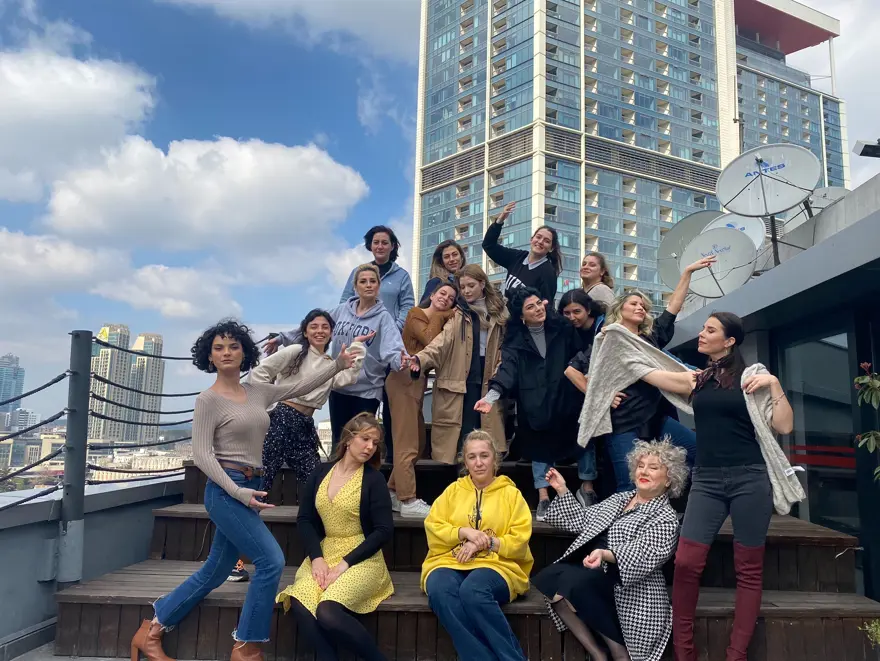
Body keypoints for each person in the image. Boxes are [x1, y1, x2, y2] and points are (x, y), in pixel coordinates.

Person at [130, 320, 358, 661]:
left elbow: (300, 385)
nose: (226, 352)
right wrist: (236, 491)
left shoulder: (257, 391)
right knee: (271, 561)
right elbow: (202, 455)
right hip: (226, 490)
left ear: (244, 353)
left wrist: (337, 365)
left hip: (251, 485)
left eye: (234, 346)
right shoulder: (208, 400)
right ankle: (247, 647)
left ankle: (152, 629)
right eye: (219, 348)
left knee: (216, 570)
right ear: (209, 356)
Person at [634, 312, 803, 661]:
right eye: (703, 328)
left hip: (749, 479)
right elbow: (647, 370)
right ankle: (684, 652)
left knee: (749, 569)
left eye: (710, 330)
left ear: (729, 341)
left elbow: (784, 426)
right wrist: (617, 341)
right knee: (686, 562)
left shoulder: (752, 377)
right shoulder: (697, 379)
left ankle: (736, 654)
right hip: (707, 481)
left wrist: (774, 384)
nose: (701, 333)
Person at [534, 439, 687, 661]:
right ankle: (599, 655)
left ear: (669, 479)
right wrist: (562, 489)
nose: (644, 471)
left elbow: (645, 554)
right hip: (597, 574)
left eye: (653, 467)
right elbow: (581, 520)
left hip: (632, 591)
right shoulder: (620, 499)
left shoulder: (665, 517)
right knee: (552, 577)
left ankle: (620, 654)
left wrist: (606, 555)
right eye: (641, 465)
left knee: (576, 581)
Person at [580, 257, 715, 492]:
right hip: (624, 423)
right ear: (619, 309)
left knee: (698, 451)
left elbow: (673, 307)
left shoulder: (650, 338)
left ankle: (686, 501)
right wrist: (606, 395)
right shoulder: (610, 337)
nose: (640, 308)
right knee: (629, 485)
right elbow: (592, 375)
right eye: (633, 304)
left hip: (655, 418)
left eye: (643, 306)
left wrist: (687, 273)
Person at [276, 413, 394, 661]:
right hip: (325, 552)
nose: (370, 447)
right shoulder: (320, 472)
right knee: (300, 600)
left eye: (375, 443)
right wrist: (316, 558)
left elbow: (384, 530)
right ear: (349, 439)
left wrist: (345, 564)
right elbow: (305, 519)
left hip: (362, 557)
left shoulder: (374, 480)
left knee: (327, 610)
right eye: (365, 439)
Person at [474, 287, 586, 521]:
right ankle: (543, 497)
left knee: (582, 439)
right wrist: (491, 396)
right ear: (521, 315)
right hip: (534, 402)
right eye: (530, 307)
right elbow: (507, 370)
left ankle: (586, 490)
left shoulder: (562, 328)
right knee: (538, 444)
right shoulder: (515, 341)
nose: (537, 309)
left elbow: (582, 353)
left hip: (565, 399)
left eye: (538, 303)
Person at [266, 264, 406, 449]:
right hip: (338, 385)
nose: (368, 285)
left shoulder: (383, 318)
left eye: (373, 281)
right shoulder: (342, 310)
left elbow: (393, 348)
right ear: (355, 287)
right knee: (339, 443)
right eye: (363, 281)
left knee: (360, 443)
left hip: (367, 390)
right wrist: (281, 338)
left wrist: (401, 361)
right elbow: (315, 326)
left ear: (378, 286)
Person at [422, 431, 533, 661]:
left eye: (484, 455)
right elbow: (433, 526)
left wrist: (487, 543)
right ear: (465, 462)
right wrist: (463, 532)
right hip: (450, 561)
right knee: (439, 590)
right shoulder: (453, 491)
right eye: (472, 457)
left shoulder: (512, 495)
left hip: (498, 565)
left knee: (473, 591)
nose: (478, 462)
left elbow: (519, 540)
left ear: (495, 459)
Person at [251, 309, 366, 496]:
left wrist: (357, 347)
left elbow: (347, 378)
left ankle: (314, 515)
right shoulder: (296, 351)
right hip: (281, 420)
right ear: (305, 332)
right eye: (314, 327)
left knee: (317, 483)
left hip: (305, 425)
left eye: (325, 327)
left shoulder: (330, 363)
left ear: (331, 333)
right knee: (263, 478)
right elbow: (260, 372)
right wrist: (267, 402)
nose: (319, 331)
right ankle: (246, 512)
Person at [408, 264, 509, 463]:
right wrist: (420, 359)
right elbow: (441, 343)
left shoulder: (499, 312)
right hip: (462, 380)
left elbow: (506, 350)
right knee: (463, 441)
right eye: (462, 287)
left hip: (489, 379)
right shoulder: (458, 314)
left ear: (482, 284)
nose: (466, 291)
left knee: (487, 439)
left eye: (471, 285)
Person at [338, 225, 415, 461]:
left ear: (393, 246)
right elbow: (344, 303)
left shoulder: (401, 276)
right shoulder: (359, 272)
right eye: (376, 242)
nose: (380, 246)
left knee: (387, 403)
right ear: (370, 246)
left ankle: (386, 454)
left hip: (389, 346)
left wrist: (392, 328)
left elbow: (408, 305)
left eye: (385, 242)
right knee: (347, 411)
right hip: (361, 346)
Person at [386, 281, 457, 518]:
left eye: (451, 298)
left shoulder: (438, 317)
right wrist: (443, 314)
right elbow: (429, 338)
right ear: (432, 294)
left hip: (416, 383)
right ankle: (408, 500)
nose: (446, 298)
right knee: (406, 443)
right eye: (442, 293)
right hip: (403, 379)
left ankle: (393, 491)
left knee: (418, 443)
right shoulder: (416, 313)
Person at [557, 288, 606, 506]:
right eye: (566, 313)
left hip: (602, 388)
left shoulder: (603, 327)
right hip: (577, 388)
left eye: (576, 312)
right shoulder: (567, 330)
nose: (572, 317)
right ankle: (587, 486)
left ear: (588, 309)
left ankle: (588, 486)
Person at [482, 201, 562, 302]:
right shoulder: (517, 257)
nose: (540, 242)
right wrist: (500, 220)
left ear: (551, 248)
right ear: (531, 239)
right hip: (505, 311)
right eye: (538, 237)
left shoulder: (548, 273)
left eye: (546, 241)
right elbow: (489, 245)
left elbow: (546, 304)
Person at [420, 239, 466, 304]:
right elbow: (422, 308)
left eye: (455, 254)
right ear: (441, 262)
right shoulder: (436, 282)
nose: (452, 259)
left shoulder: (468, 282)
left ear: (461, 257)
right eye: (446, 257)